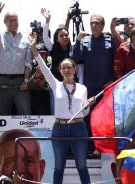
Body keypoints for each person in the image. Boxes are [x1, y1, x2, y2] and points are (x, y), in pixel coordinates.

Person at [30, 32, 91, 184]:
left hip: (79, 127)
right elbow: (44, 68)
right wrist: (33, 49)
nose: (66, 70)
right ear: (60, 70)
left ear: (75, 70)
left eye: (69, 67)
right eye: (63, 68)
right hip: (60, 127)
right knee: (59, 167)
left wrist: (88, 106)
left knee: (82, 166)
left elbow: (84, 112)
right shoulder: (55, 85)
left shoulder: (83, 88)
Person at [73, 14, 116, 156]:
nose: (94, 26)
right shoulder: (84, 40)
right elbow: (76, 59)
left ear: (102, 26)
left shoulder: (111, 39)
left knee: (105, 119)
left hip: (107, 86)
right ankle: (90, 149)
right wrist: (77, 41)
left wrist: (113, 80)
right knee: (89, 118)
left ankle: (104, 148)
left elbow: (117, 62)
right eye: (92, 23)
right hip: (90, 87)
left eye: (97, 23)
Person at [0, 3, 32, 115]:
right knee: (2, 115)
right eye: (10, 20)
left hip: (20, 82)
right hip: (1, 82)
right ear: (5, 22)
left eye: (15, 20)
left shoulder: (26, 39)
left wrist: (26, 81)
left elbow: (28, 63)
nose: (14, 23)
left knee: (26, 114)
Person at [41, 8, 73, 81]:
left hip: (71, 83)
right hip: (57, 83)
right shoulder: (53, 48)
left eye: (66, 35)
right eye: (61, 36)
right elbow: (45, 38)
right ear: (57, 39)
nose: (64, 37)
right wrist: (47, 21)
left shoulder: (73, 49)